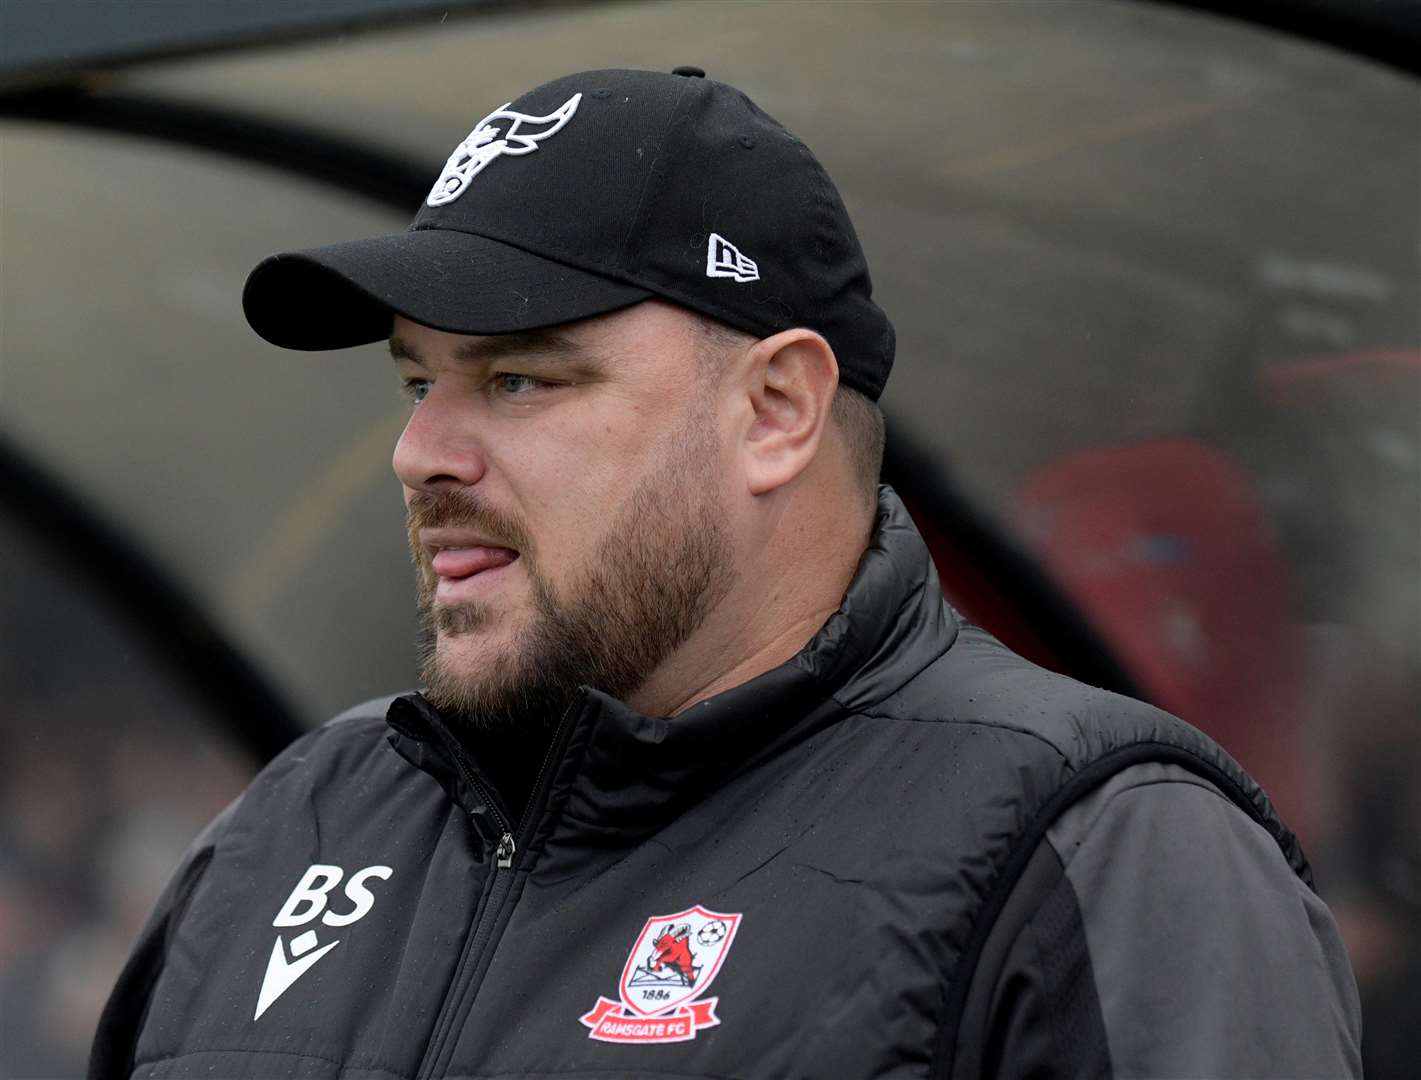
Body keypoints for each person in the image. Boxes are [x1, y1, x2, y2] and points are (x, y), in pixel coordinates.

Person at [91, 67, 1360, 1080]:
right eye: (419, 380)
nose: (419, 451)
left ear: (774, 409)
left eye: (521, 377)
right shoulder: (297, 825)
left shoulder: (1096, 849)